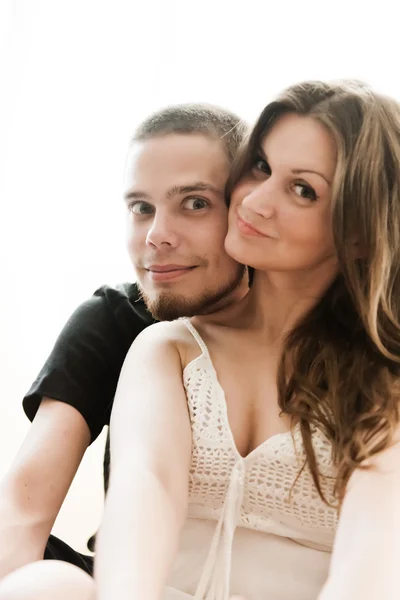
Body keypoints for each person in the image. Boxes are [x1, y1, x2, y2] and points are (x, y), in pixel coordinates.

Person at [3, 79, 400, 600]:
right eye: (260, 167)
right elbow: (139, 488)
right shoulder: (150, 338)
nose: (256, 202)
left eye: (302, 189)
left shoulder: (382, 374)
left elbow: (372, 553)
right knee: (46, 584)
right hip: (146, 584)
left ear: (358, 227)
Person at [0, 104, 249, 582]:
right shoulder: (113, 319)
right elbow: (23, 511)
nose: (156, 236)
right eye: (141, 208)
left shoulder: (319, 328)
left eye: (194, 203)